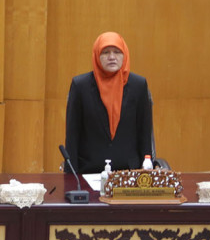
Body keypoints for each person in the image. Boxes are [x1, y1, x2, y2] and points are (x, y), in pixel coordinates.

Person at [65, 31, 154, 173]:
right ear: (97, 55)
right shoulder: (80, 86)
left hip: (129, 171)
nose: (112, 57)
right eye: (105, 52)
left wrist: (146, 171)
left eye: (117, 52)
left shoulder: (138, 85)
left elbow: (144, 132)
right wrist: (70, 175)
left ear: (125, 54)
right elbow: (72, 135)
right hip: (89, 170)